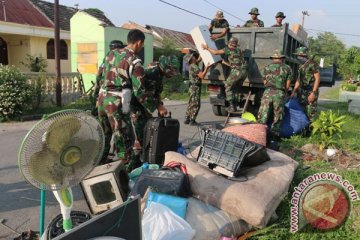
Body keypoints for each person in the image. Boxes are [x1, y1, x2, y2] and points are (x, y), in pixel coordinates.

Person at [97, 29, 146, 170]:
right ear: (139, 42)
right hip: (117, 102)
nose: (141, 47)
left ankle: (99, 167)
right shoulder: (134, 61)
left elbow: (99, 76)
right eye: (142, 44)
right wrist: (154, 107)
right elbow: (140, 91)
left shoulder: (110, 54)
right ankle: (126, 171)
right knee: (123, 137)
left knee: (104, 135)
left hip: (102, 99)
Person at [130, 54, 180, 164]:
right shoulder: (151, 72)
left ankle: (144, 158)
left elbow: (155, 93)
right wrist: (157, 106)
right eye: (172, 71)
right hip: (136, 105)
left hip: (144, 106)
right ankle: (134, 164)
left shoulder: (159, 73)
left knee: (147, 131)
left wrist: (159, 105)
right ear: (167, 67)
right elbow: (141, 92)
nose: (172, 75)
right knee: (140, 135)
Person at [201, 37, 246, 111]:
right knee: (233, 87)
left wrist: (207, 48)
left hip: (236, 72)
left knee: (227, 86)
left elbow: (215, 52)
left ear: (230, 44)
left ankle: (232, 106)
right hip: (243, 72)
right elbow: (236, 63)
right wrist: (225, 62)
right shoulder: (239, 50)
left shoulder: (228, 49)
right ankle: (235, 102)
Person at [257, 50, 292, 137]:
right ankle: (274, 134)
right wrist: (284, 92)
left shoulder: (267, 67)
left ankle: (260, 132)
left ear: (273, 58)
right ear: (281, 58)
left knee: (264, 111)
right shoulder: (287, 68)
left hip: (268, 92)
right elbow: (288, 84)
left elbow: (264, 81)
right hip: (280, 92)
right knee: (278, 113)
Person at [91, 40, 125, 117]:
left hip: (105, 91)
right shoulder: (122, 58)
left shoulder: (107, 57)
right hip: (117, 93)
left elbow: (99, 74)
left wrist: (96, 93)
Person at [291, 47, 321, 122]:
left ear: (304, 56)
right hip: (302, 91)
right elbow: (298, 80)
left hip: (311, 90)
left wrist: (313, 93)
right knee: (302, 110)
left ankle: (310, 131)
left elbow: (317, 78)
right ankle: (303, 130)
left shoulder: (312, 64)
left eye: (299, 55)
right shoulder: (301, 65)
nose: (298, 57)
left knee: (310, 111)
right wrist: (293, 91)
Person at [184, 52, 211, 125]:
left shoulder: (191, 65)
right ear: (191, 59)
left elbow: (198, 60)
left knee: (191, 103)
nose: (194, 57)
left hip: (192, 87)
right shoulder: (195, 66)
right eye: (193, 57)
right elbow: (202, 76)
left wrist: (202, 53)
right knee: (196, 104)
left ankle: (187, 119)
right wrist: (207, 68)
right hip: (195, 87)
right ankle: (192, 120)